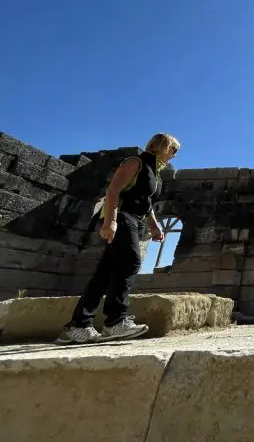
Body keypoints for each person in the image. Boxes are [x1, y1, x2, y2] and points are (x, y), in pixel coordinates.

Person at [56, 133, 180, 344]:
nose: (174, 155)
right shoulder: (135, 162)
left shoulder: (154, 171)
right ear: (162, 146)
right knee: (131, 261)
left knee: (104, 273)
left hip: (135, 219)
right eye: (173, 149)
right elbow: (114, 189)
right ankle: (115, 321)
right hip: (122, 216)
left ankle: (78, 325)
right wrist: (110, 221)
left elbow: (144, 201)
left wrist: (153, 225)